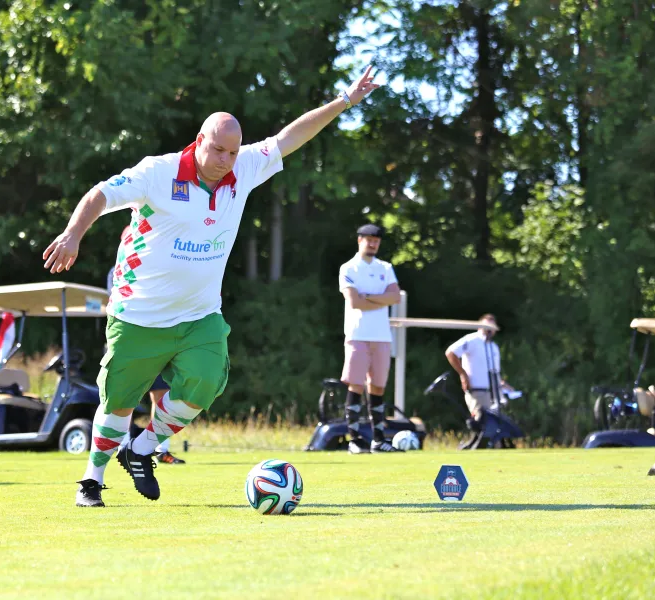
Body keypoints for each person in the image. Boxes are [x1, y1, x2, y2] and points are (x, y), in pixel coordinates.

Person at [44, 66, 381, 507]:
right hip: (139, 312)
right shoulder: (158, 172)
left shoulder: (242, 169)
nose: (226, 160)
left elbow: (290, 137)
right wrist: (73, 233)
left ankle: (143, 448)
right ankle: (92, 480)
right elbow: (99, 195)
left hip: (199, 314)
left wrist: (345, 101)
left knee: (205, 383)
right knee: (118, 402)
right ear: (199, 141)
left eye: (233, 152)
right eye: (219, 150)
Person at [106, 226, 187, 465]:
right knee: (124, 397)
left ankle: (161, 449)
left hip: (160, 339)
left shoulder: (158, 264)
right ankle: (122, 446)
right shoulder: (118, 270)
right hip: (132, 341)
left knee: (162, 397)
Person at [338, 223, 402, 453]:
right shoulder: (348, 268)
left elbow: (395, 297)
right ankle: (354, 440)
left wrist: (369, 297)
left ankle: (378, 440)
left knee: (377, 388)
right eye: (369, 239)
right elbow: (354, 302)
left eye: (376, 240)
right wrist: (380, 298)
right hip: (357, 335)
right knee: (356, 386)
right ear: (359, 240)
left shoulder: (385, 267)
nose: (373, 243)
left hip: (382, 337)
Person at [444, 314, 509, 425]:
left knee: (495, 427)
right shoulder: (472, 340)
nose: (489, 329)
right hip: (477, 392)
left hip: (493, 394)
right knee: (482, 424)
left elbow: (494, 371)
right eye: (486, 325)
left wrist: (502, 384)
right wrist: (462, 374)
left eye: (492, 326)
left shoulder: (493, 347)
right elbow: (451, 353)